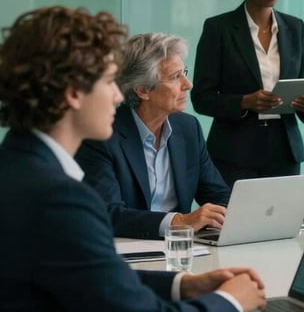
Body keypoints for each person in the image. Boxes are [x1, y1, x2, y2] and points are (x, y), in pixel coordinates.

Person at [0, 6, 266, 312]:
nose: (119, 95)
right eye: (108, 81)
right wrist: (231, 302)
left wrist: (183, 285)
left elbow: (84, 276)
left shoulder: (17, 171)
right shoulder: (60, 201)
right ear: (72, 92)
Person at [192, 0, 304, 187]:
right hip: (234, 154)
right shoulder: (219, 29)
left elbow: (303, 85)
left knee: (284, 225)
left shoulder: (295, 28)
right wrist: (245, 102)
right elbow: (201, 99)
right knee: (235, 224)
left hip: (284, 152)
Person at [77, 32, 230, 240]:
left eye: (184, 72)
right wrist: (179, 222)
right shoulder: (102, 135)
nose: (188, 84)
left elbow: (219, 195)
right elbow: (107, 213)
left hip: (183, 250)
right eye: (176, 76)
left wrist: (224, 216)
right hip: (127, 250)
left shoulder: (188, 128)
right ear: (143, 90)